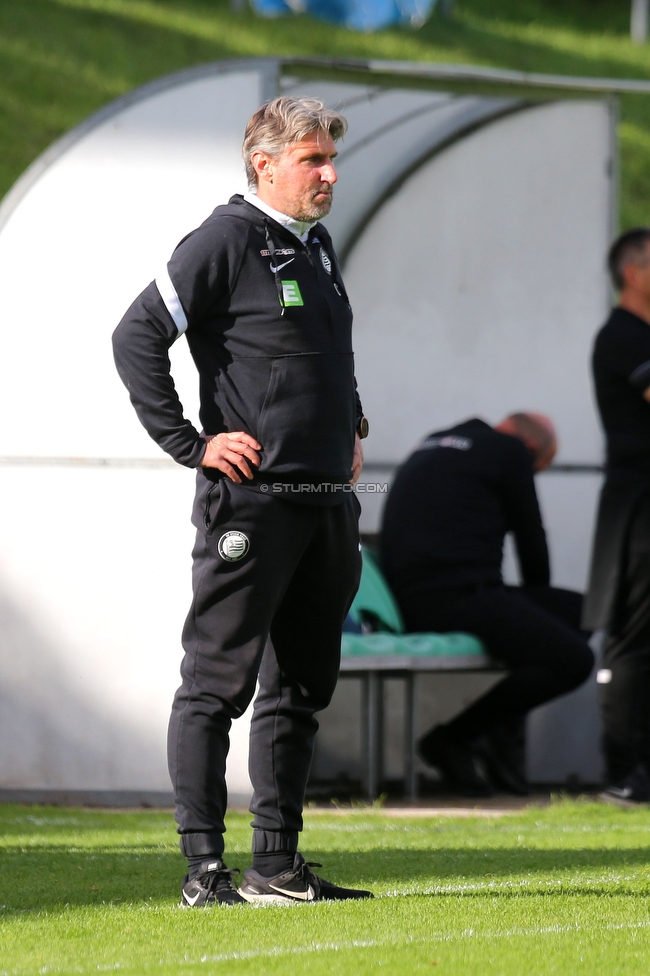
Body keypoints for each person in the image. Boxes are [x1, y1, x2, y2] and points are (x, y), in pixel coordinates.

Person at [112, 97, 372, 905]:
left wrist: (352, 421)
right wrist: (193, 444)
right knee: (216, 685)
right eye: (312, 160)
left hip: (325, 501)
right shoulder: (225, 238)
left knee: (299, 688)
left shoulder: (316, 244)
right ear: (264, 164)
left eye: (331, 158)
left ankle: (277, 866)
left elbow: (318, 355)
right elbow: (136, 335)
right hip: (251, 507)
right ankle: (202, 870)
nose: (329, 174)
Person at [381, 415, 594, 797]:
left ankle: (502, 731)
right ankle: (454, 739)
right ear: (532, 450)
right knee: (574, 659)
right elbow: (531, 536)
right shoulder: (510, 452)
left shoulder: (435, 439)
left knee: (583, 611)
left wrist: (534, 614)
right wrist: (536, 608)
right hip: (455, 596)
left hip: (417, 596)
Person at [584, 228, 650, 806]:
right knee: (631, 634)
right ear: (633, 273)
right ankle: (623, 770)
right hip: (636, 507)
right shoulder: (623, 336)